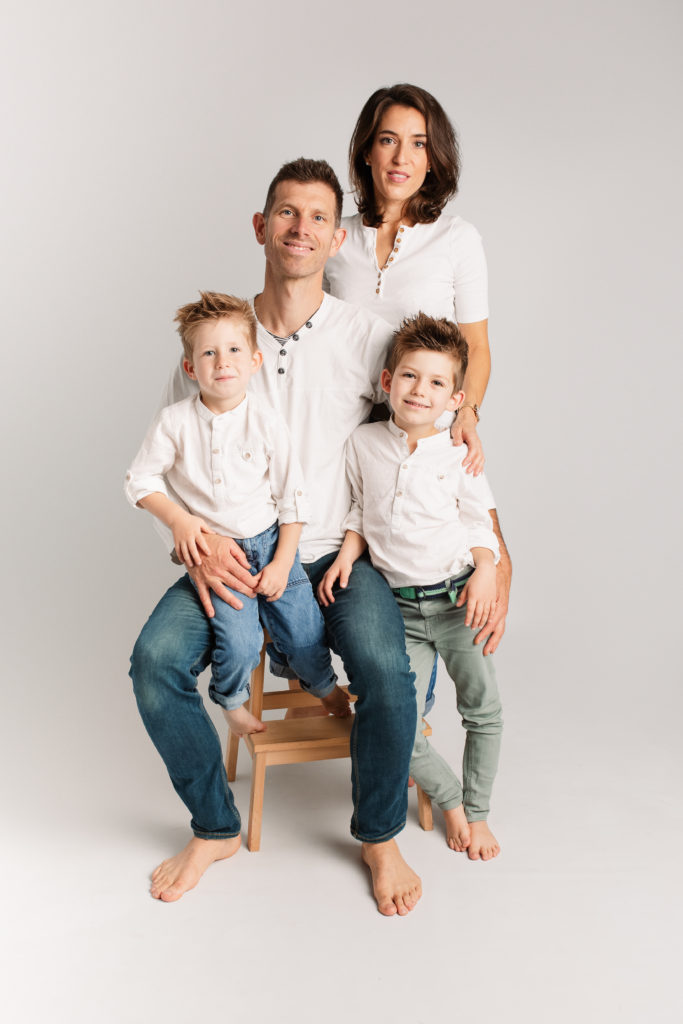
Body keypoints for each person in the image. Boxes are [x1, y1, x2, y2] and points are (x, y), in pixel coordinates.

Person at [130, 158, 422, 915]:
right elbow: (170, 460)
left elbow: (421, 443)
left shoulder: (370, 337)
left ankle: (379, 834)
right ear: (261, 228)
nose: (301, 228)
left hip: (335, 553)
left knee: (388, 674)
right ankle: (215, 826)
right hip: (229, 551)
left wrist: (487, 546)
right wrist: (188, 541)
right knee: (153, 662)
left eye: (318, 216)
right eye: (286, 213)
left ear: (336, 239)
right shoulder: (215, 336)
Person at [324, 83, 511, 656]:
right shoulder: (337, 238)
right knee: (359, 558)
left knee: (487, 546)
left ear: (434, 158)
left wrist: (468, 414)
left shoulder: (457, 239)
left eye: (418, 144)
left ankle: (444, 695)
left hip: (429, 420)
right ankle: (379, 692)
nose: (402, 158)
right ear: (366, 152)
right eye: (388, 140)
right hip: (348, 432)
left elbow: (476, 347)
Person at [319, 314, 503, 860]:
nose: (420, 390)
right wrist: (345, 558)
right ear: (386, 381)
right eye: (409, 377)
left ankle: (478, 813)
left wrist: (488, 570)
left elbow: (478, 520)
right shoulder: (363, 443)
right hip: (400, 609)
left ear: (456, 397)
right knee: (398, 716)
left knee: (483, 710)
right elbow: (359, 510)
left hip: (458, 600)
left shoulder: (458, 450)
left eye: (437, 382)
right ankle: (448, 799)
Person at [125, 292, 350, 738]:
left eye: (233, 351)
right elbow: (139, 481)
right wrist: (180, 521)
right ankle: (230, 700)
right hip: (218, 555)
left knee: (305, 634)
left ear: (254, 361)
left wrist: (284, 563)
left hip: (270, 544)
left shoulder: (265, 421)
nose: (221, 362)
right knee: (241, 643)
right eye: (208, 353)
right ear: (191, 368)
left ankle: (323, 687)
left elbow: (293, 498)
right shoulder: (173, 423)